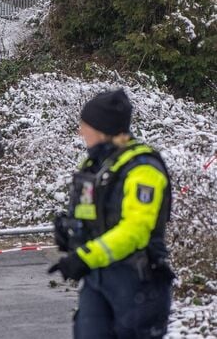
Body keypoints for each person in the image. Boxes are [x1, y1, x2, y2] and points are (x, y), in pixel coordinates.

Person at [49, 89, 174, 338]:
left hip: (137, 283)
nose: (80, 132)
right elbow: (93, 214)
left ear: (102, 129)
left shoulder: (143, 170)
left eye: (85, 125)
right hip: (98, 280)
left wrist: (85, 257)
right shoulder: (97, 165)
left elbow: (135, 231)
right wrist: (71, 231)